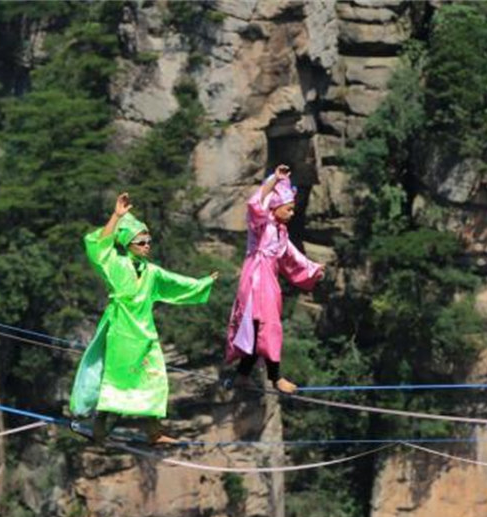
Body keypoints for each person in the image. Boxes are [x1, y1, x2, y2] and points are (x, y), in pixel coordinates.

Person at [70, 193, 217, 444]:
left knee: (155, 377)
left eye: (149, 241)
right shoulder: (116, 265)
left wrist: (203, 283)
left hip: (145, 333)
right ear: (128, 244)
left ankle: (154, 431)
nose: (147, 245)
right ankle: (100, 429)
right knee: (116, 381)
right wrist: (116, 217)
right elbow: (100, 247)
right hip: (121, 331)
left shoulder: (152, 272)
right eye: (141, 242)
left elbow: (176, 283)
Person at [225, 165, 325, 393]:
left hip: (267, 281)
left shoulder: (280, 231)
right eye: (288, 209)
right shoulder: (261, 226)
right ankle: (276, 377)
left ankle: (242, 375)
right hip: (256, 280)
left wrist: (312, 268)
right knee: (267, 326)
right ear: (275, 207)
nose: (291, 214)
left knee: (256, 327)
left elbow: (291, 254)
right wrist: (274, 180)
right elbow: (255, 204)